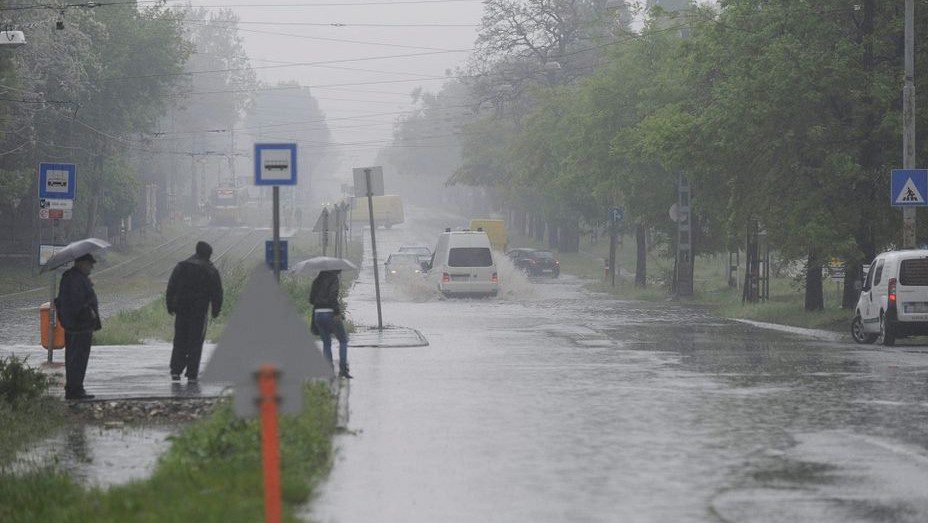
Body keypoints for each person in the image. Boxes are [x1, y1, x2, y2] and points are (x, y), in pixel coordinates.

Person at [166, 241, 223, 382]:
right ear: (208, 254)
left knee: (179, 340)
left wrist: (170, 306)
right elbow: (217, 292)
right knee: (195, 342)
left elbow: (171, 287)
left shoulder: (182, 266)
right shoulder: (210, 270)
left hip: (182, 310)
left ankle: (175, 370)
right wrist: (215, 310)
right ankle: (192, 373)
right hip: (199, 312)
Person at [56, 253, 101, 400]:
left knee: (75, 358)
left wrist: (88, 284)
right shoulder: (75, 279)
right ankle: (75, 390)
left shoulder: (74, 277)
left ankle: (75, 388)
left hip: (75, 325)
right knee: (78, 359)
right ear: (81, 263)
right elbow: (78, 303)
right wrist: (90, 313)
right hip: (79, 326)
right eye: (89, 264)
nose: (91, 267)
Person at [310, 269, 351, 378]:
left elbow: (311, 300)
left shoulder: (316, 281)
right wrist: (337, 312)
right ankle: (343, 370)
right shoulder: (333, 279)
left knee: (326, 343)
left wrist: (320, 300)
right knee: (343, 340)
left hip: (318, 315)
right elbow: (333, 297)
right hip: (330, 313)